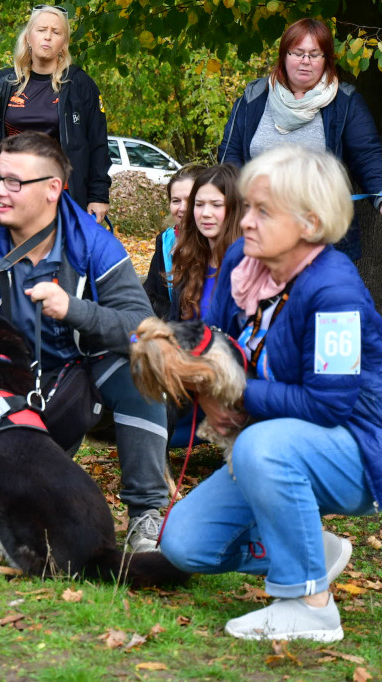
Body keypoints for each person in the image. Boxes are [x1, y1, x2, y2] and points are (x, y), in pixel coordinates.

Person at [0, 131, 168, 551]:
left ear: (53, 189)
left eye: (14, 183)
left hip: (77, 379)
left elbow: (142, 327)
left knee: (143, 370)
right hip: (2, 377)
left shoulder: (94, 245)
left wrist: (73, 309)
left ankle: (147, 513)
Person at [159, 145, 382, 642]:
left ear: (310, 222)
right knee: (184, 544)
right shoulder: (244, 261)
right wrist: (206, 388)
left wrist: (236, 399)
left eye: (263, 210)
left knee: (262, 446)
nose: (247, 221)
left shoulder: (336, 295)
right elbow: (219, 345)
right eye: (248, 206)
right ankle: (309, 552)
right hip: (280, 441)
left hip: (361, 447)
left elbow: (330, 404)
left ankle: (309, 604)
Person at [218, 18, 382, 261]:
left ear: (326, 59)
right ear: (284, 56)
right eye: (298, 53)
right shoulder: (253, 98)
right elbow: (229, 154)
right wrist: (243, 201)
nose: (306, 61)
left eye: (315, 54)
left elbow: (367, 155)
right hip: (256, 230)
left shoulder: (345, 102)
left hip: (320, 234)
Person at [0, 5, 111, 223]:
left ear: (63, 44)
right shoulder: (5, 84)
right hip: (11, 192)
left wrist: (98, 196)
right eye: (41, 30)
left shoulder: (81, 86)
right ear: (28, 37)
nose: (47, 37)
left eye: (56, 32)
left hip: (62, 196)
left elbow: (98, 144)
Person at [148, 165, 243, 322]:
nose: (205, 213)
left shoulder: (249, 263)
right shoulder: (188, 257)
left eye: (216, 204)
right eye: (199, 204)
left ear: (235, 207)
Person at [143, 163, 205, 319]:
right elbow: (151, 295)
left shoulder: (217, 244)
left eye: (190, 200)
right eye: (176, 201)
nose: (182, 208)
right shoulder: (166, 241)